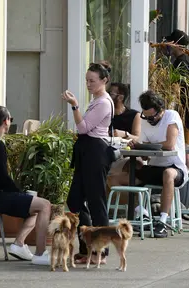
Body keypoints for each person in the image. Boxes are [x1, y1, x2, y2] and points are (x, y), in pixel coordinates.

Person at [112, 91, 188, 238]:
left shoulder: (171, 116)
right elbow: (146, 154)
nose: (149, 120)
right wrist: (137, 146)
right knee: (122, 172)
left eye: (152, 117)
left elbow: (170, 144)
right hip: (154, 167)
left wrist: (146, 145)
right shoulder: (146, 122)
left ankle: (162, 221)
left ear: (161, 110)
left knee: (168, 174)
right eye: (146, 117)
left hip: (175, 167)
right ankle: (142, 213)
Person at [0, 106, 51, 265]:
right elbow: (2, 177)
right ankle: (40, 254)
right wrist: (19, 192)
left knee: (35, 207)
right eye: (10, 119)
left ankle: (19, 244)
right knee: (45, 205)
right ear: (6, 121)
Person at [62, 62, 114, 264]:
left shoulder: (103, 102)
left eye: (92, 81)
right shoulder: (96, 100)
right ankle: (87, 246)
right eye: (87, 80)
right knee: (75, 200)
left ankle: (101, 252)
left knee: (96, 201)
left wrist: (74, 105)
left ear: (104, 80)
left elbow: (83, 128)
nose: (88, 84)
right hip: (86, 151)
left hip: (95, 152)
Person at [164, 29, 189, 170]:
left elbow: (176, 88)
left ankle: (187, 186)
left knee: (186, 154)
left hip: (185, 111)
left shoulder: (181, 63)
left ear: (176, 44)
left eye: (170, 42)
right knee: (186, 153)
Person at [107, 82, 143, 186]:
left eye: (111, 93)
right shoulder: (105, 114)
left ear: (120, 97)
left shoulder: (133, 115)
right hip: (109, 155)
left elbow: (137, 137)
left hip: (127, 155)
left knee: (137, 165)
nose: (108, 96)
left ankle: (134, 199)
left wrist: (124, 134)